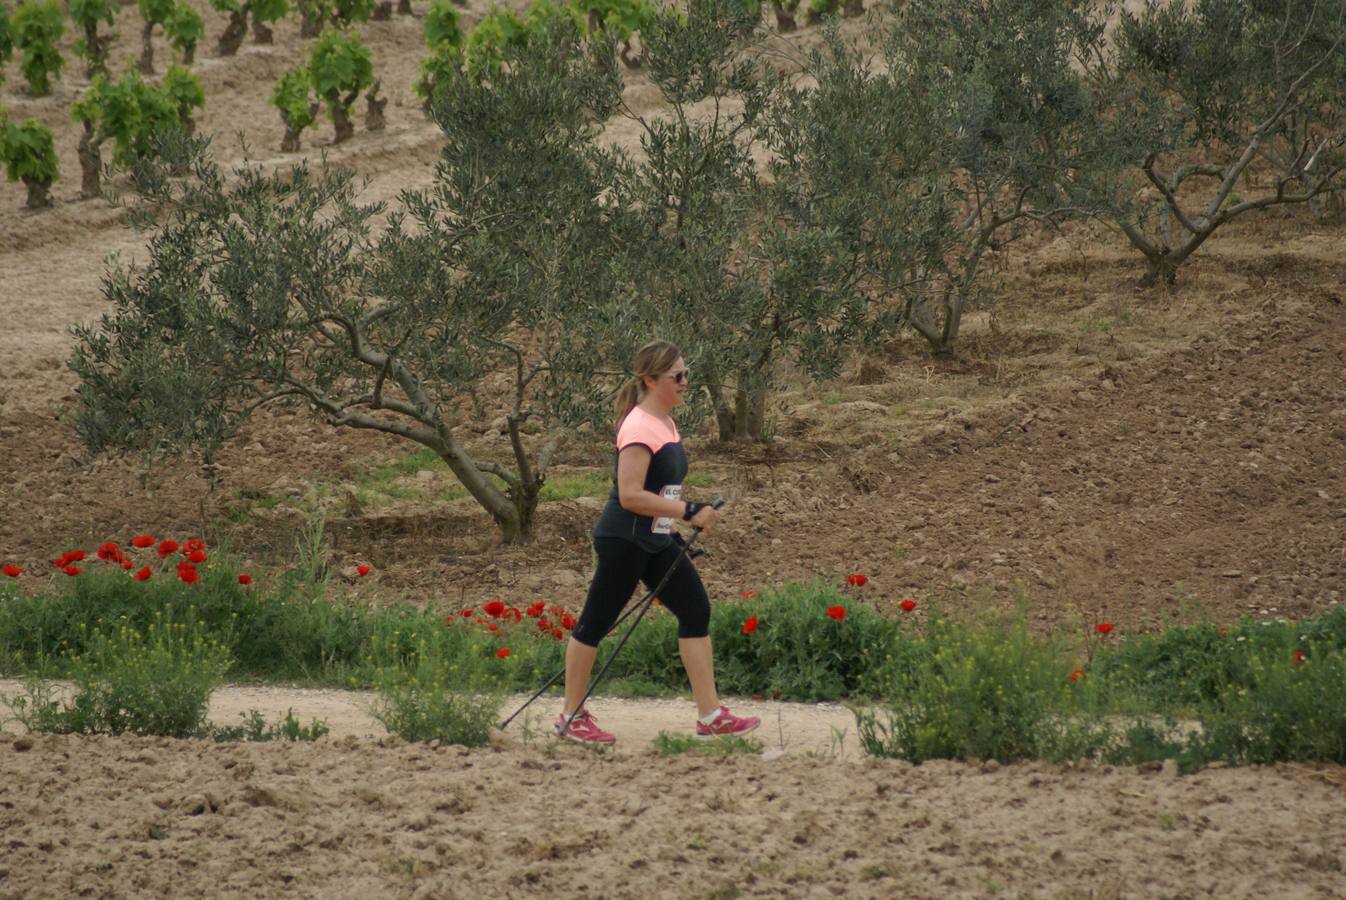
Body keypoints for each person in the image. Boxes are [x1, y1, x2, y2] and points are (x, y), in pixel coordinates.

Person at [557, 340, 760, 744]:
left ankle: (711, 715)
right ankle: (570, 716)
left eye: (687, 374)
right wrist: (688, 510)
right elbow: (630, 494)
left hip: (654, 538)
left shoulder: (665, 423)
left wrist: (676, 526)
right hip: (623, 540)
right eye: (678, 376)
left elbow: (658, 491)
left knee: (695, 609)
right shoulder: (637, 427)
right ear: (651, 380)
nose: (686, 383)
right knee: (595, 622)